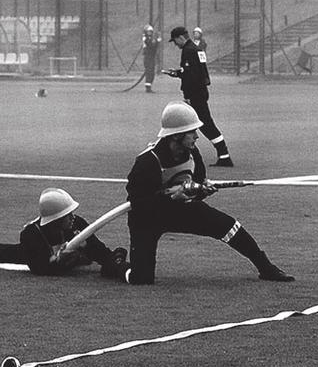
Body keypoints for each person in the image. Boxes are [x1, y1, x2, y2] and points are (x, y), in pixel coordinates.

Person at [123, 101, 293, 285]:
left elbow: (197, 184)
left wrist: (202, 191)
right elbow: (139, 204)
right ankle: (116, 264)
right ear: (176, 136)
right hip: (148, 218)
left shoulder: (192, 152)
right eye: (191, 132)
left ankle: (265, 267)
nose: (197, 136)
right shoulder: (148, 162)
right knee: (141, 279)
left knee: (229, 226)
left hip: (181, 209)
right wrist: (172, 197)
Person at [0, 188, 129, 278]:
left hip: (53, 257)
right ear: (55, 220)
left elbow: (99, 251)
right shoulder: (31, 236)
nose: (73, 218)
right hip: (27, 256)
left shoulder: (77, 224)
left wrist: (114, 262)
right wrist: (62, 261)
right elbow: (40, 269)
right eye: (67, 215)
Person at [164, 26, 233, 167]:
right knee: (200, 124)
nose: (175, 44)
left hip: (195, 94)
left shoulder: (188, 51)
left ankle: (223, 155)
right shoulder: (197, 49)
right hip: (201, 91)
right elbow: (196, 72)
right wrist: (177, 73)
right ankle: (222, 154)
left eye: (175, 41)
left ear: (180, 37)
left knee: (203, 124)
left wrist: (188, 96)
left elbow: (192, 77)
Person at [142, 25, 162, 93]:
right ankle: (148, 87)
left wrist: (157, 41)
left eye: (150, 32)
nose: (149, 33)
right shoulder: (145, 39)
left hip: (151, 57)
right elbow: (151, 45)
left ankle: (149, 86)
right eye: (148, 32)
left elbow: (154, 47)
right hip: (148, 57)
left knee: (152, 72)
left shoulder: (150, 38)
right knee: (149, 71)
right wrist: (157, 41)